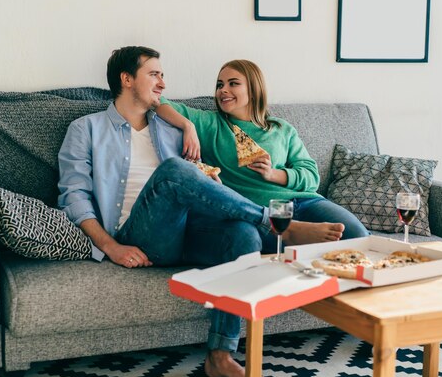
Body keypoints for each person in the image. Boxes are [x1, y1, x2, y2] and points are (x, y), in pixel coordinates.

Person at [57, 47, 338, 377]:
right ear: (126, 79)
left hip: (187, 228)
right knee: (175, 169)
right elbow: (74, 198)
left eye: (162, 74)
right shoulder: (85, 128)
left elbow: (191, 176)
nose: (162, 82)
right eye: (154, 74)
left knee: (242, 236)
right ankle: (274, 223)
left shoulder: (170, 129)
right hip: (138, 234)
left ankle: (219, 356)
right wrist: (111, 247)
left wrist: (203, 166)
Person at [156, 59, 369, 252]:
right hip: (263, 212)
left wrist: (273, 174)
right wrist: (188, 125)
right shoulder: (210, 122)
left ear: (254, 89)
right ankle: (298, 244)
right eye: (220, 85)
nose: (223, 90)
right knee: (264, 243)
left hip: (305, 203)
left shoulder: (281, 129)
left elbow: (312, 177)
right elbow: (158, 102)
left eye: (233, 83)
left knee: (358, 237)